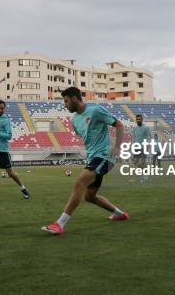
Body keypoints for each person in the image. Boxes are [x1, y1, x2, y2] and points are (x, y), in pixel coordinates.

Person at [42, 87, 128, 235]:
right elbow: (88, 136)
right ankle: (120, 214)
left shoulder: (95, 110)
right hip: (93, 157)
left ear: (75, 98)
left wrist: (118, 147)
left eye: (67, 101)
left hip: (105, 156)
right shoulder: (74, 120)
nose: (65, 104)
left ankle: (60, 224)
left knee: (80, 182)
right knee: (90, 196)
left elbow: (119, 125)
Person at [131, 114, 152, 182]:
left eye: (139, 119)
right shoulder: (134, 128)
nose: (138, 120)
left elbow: (149, 137)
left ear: (142, 120)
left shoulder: (146, 128)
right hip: (136, 148)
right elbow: (133, 138)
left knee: (143, 162)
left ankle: (144, 177)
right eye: (137, 119)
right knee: (135, 162)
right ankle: (145, 171)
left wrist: (147, 145)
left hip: (143, 147)